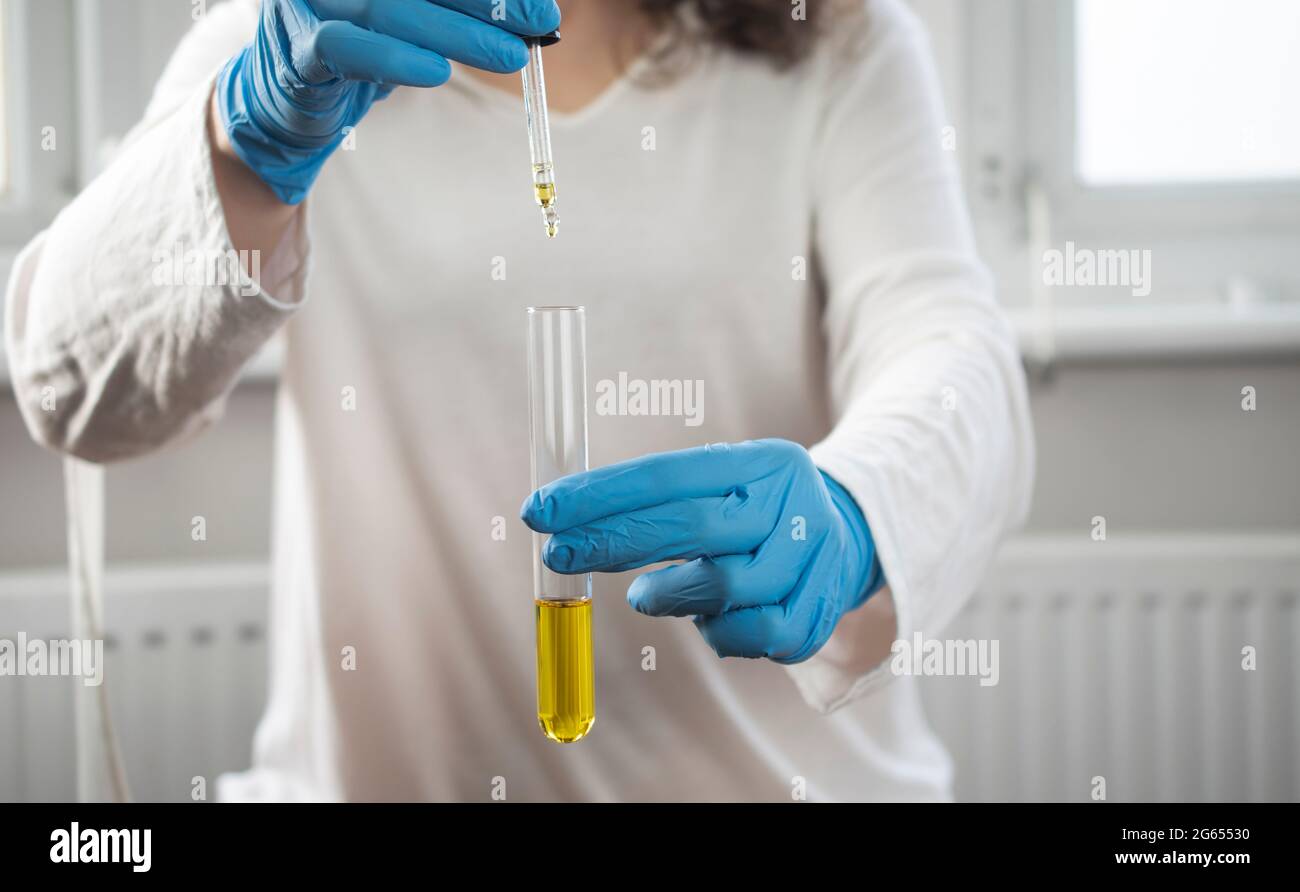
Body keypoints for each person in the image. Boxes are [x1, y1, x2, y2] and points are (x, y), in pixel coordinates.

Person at [4, 0, 1033, 801]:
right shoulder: (300, 38)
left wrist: (856, 506)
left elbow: (947, 345)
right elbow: (66, 384)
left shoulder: (833, 41)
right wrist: (239, 143)